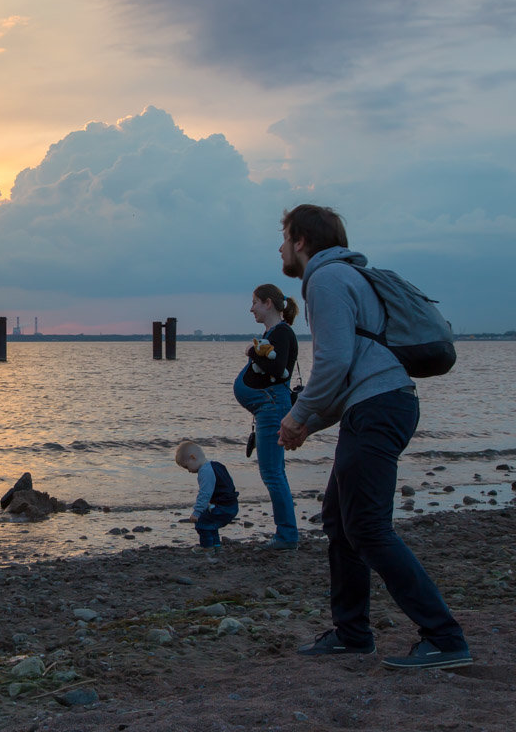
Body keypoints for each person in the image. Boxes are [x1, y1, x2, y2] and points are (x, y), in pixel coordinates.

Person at [276, 204, 471, 670]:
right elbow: (356, 374)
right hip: (381, 404)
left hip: (380, 409)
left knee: (367, 528)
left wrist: (297, 413)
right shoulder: (348, 277)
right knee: (341, 522)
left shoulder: (325, 280)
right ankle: (352, 634)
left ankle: (444, 638)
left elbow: (334, 362)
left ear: (301, 241)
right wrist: (309, 423)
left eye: (284, 238)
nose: (280, 248)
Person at [233, 284, 300, 550]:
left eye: (254, 303)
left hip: (271, 406)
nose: (251, 308)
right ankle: (286, 533)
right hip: (266, 408)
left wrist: (252, 353)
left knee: (272, 473)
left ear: (268, 303)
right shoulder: (273, 332)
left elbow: (279, 369)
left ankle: (286, 535)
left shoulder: (282, 332)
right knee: (273, 472)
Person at [175, 440, 238, 553]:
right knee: (211, 522)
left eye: (186, 466)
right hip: (231, 505)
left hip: (223, 507)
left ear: (193, 457)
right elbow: (229, 484)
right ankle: (216, 546)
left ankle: (207, 547)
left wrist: (197, 512)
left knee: (201, 523)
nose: (188, 471)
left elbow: (205, 494)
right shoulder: (217, 466)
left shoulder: (205, 471)